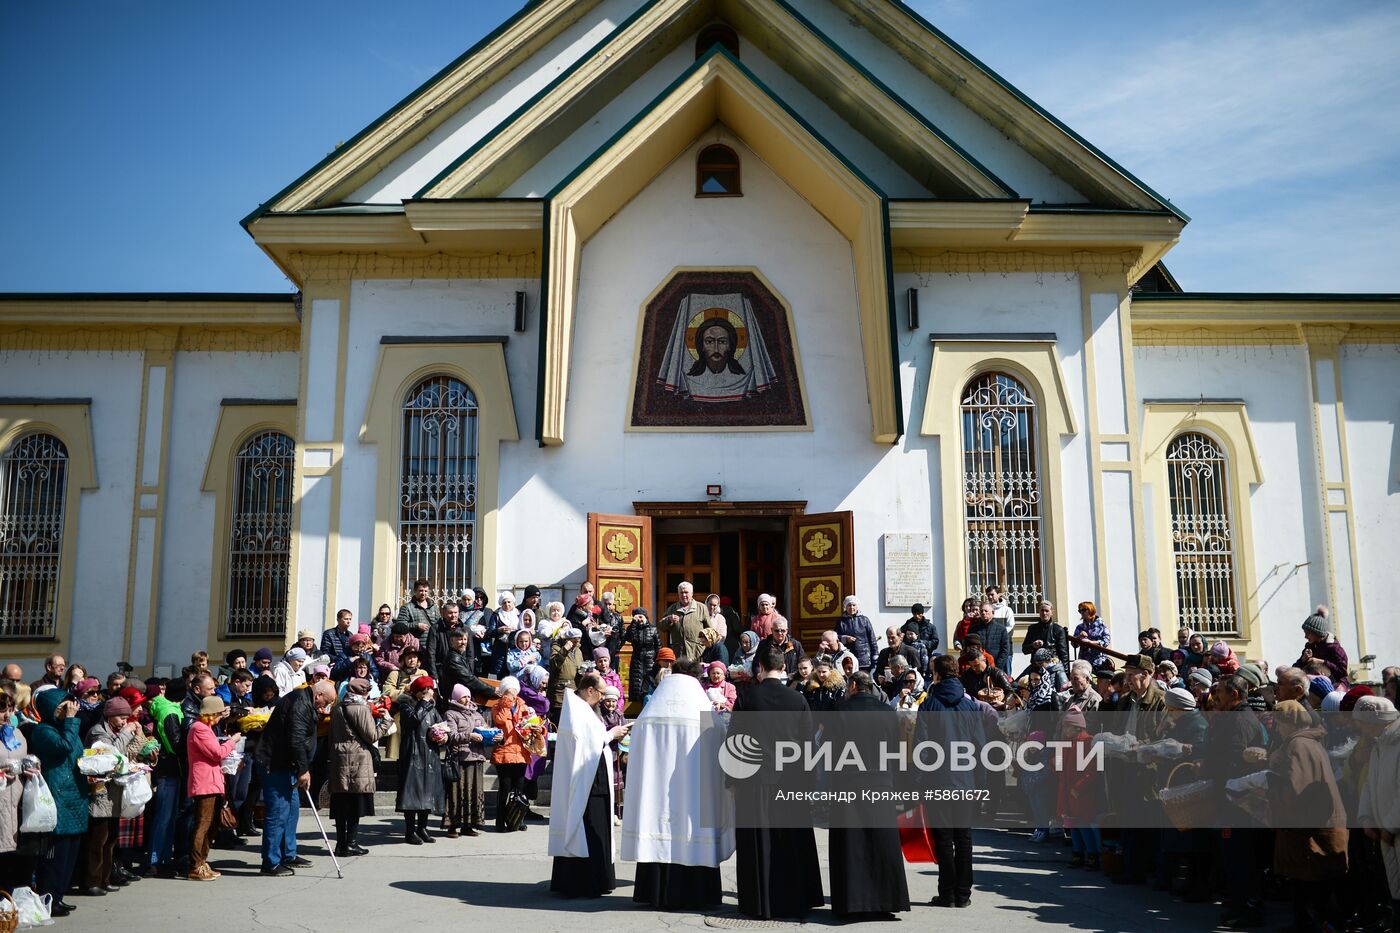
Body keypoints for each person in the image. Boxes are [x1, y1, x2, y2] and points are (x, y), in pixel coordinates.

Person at [730, 645, 824, 919]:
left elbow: (735, 742)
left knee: (758, 842)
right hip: (791, 779)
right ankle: (793, 900)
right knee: (790, 840)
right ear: (784, 668)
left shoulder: (747, 698)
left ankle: (758, 902)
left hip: (754, 781)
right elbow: (808, 746)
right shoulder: (797, 700)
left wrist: (732, 779)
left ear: (759, 668)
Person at [624, 668, 729, 908]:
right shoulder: (701, 710)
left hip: (658, 797)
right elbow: (721, 742)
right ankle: (698, 894)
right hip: (696, 796)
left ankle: (656, 892)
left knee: (659, 827)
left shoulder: (651, 713)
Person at [828, 670, 911, 918]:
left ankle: (852, 901)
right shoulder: (887, 713)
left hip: (848, 782)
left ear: (853, 685)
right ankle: (886, 900)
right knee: (881, 841)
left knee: (851, 843)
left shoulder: (840, 710)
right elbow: (896, 750)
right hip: (881, 782)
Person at [549, 672, 624, 898]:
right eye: (601, 693)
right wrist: (612, 734)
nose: (602, 698)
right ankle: (588, 881)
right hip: (588, 781)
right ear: (590, 690)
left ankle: (596, 878)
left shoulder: (582, 708)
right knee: (591, 827)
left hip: (592, 775)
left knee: (594, 826)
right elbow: (587, 743)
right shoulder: (577, 710)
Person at [920, 652, 984, 907]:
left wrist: (917, 781)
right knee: (964, 838)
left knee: (944, 839)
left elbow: (923, 748)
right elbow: (981, 747)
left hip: (938, 779)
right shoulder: (970, 705)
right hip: (965, 779)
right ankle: (963, 894)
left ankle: (947, 893)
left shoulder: (929, 704)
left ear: (937, 674)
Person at [255, 679, 333, 876]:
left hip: (288, 765)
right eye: (325, 702)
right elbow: (295, 739)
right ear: (318, 696)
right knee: (278, 812)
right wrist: (303, 769)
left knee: (291, 811)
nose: (325, 707)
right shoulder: (300, 704)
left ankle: (287, 854)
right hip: (276, 764)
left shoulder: (306, 701)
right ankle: (271, 862)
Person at [30, 689, 87, 916]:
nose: (70, 710)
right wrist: (71, 721)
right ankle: (49, 898)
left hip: (76, 794)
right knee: (56, 852)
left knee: (70, 850)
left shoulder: (67, 728)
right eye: (64, 707)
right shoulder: (43, 731)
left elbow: (77, 751)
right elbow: (63, 746)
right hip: (59, 795)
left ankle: (59, 896)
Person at [81, 696, 145, 893]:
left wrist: (140, 737)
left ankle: (105, 878)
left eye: (126, 717)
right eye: (121, 717)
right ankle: (92, 881)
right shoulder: (98, 732)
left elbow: (129, 755)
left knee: (110, 840)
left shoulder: (117, 731)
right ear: (110, 715)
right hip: (101, 793)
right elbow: (111, 757)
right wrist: (126, 734)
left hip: (115, 792)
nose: (125, 722)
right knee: (97, 840)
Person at [329, 677, 391, 856]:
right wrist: (386, 721)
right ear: (364, 692)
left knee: (340, 804)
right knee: (354, 805)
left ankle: (341, 844)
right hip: (357, 759)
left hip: (339, 759)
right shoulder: (360, 708)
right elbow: (372, 736)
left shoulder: (338, 708)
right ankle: (352, 843)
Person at [185, 695, 237, 881]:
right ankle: (195, 865)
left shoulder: (205, 728)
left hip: (213, 782)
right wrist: (232, 742)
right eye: (217, 714)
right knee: (203, 824)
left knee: (212, 824)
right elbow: (217, 753)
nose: (219, 718)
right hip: (205, 784)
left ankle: (202, 862)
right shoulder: (200, 729)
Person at [394, 675, 446, 845]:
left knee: (427, 792)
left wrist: (444, 736)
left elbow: (441, 725)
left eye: (430, 691)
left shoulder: (432, 707)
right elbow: (412, 721)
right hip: (413, 753)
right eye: (424, 691)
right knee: (412, 793)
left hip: (430, 753)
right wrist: (424, 703)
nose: (428, 694)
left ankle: (422, 828)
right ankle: (409, 831)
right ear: (417, 692)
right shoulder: (406, 704)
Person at [442, 683, 488, 838]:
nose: (467, 699)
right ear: (456, 698)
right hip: (460, 758)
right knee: (457, 792)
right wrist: (469, 736)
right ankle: (453, 825)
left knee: (473, 792)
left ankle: (469, 825)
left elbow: (485, 730)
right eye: (463, 697)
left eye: (468, 696)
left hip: (476, 757)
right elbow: (451, 735)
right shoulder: (451, 714)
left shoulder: (477, 714)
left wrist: (494, 736)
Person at [491, 677, 532, 833]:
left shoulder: (524, 706)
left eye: (514, 690)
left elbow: (531, 723)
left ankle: (517, 819)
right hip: (505, 752)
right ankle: (500, 821)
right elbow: (500, 719)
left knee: (519, 789)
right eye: (508, 691)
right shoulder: (498, 706)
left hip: (521, 752)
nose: (512, 694)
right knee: (505, 788)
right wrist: (506, 701)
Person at [1296, 605, 1349, 685]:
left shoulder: (1334, 648)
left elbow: (1342, 672)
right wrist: (1303, 659)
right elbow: (1296, 669)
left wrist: (1322, 662)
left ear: (1317, 633)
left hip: (1334, 687)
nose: (1305, 636)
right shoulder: (1310, 646)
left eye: (1308, 633)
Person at [660, 581, 707, 663]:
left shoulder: (701, 608)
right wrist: (669, 620)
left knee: (696, 675)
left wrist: (705, 645)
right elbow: (661, 627)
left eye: (686, 592)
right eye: (681, 593)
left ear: (692, 593)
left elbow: (710, 630)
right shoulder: (672, 609)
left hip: (697, 652)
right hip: (679, 652)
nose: (684, 595)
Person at [968, 600, 1012, 676]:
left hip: (996, 668)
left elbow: (1005, 650)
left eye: (986, 611)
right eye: (981, 611)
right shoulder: (973, 629)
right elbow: (970, 648)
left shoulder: (1001, 629)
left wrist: (996, 666)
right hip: (978, 668)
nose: (983, 613)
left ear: (993, 612)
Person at [837, 596, 878, 672]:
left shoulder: (864, 620)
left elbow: (872, 638)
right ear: (845, 607)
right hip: (848, 656)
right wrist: (845, 638)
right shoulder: (841, 621)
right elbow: (836, 638)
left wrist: (875, 654)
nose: (851, 607)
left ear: (857, 606)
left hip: (864, 657)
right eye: (849, 605)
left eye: (854, 605)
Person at [1022, 601, 1070, 666]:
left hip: (1053, 665)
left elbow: (1063, 653)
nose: (1044, 613)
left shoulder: (1058, 629)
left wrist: (1065, 671)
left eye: (1047, 611)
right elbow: (1024, 650)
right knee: (1021, 676)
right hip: (1036, 666)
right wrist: (1033, 646)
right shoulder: (1032, 628)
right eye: (1042, 610)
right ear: (1039, 612)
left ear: (1051, 612)